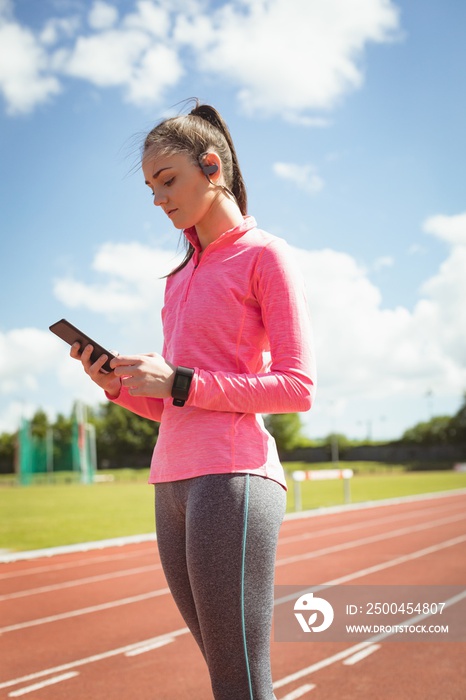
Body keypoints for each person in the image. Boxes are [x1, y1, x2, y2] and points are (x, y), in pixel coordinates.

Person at [71, 100, 316, 700]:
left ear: (212, 167)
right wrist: (120, 389)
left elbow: (297, 387)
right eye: (152, 187)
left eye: (168, 180)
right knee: (231, 678)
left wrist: (179, 380)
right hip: (171, 483)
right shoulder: (178, 278)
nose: (158, 199)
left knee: (240, 681)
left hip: (232, 477)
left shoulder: (265, 255)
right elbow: (173, 402)